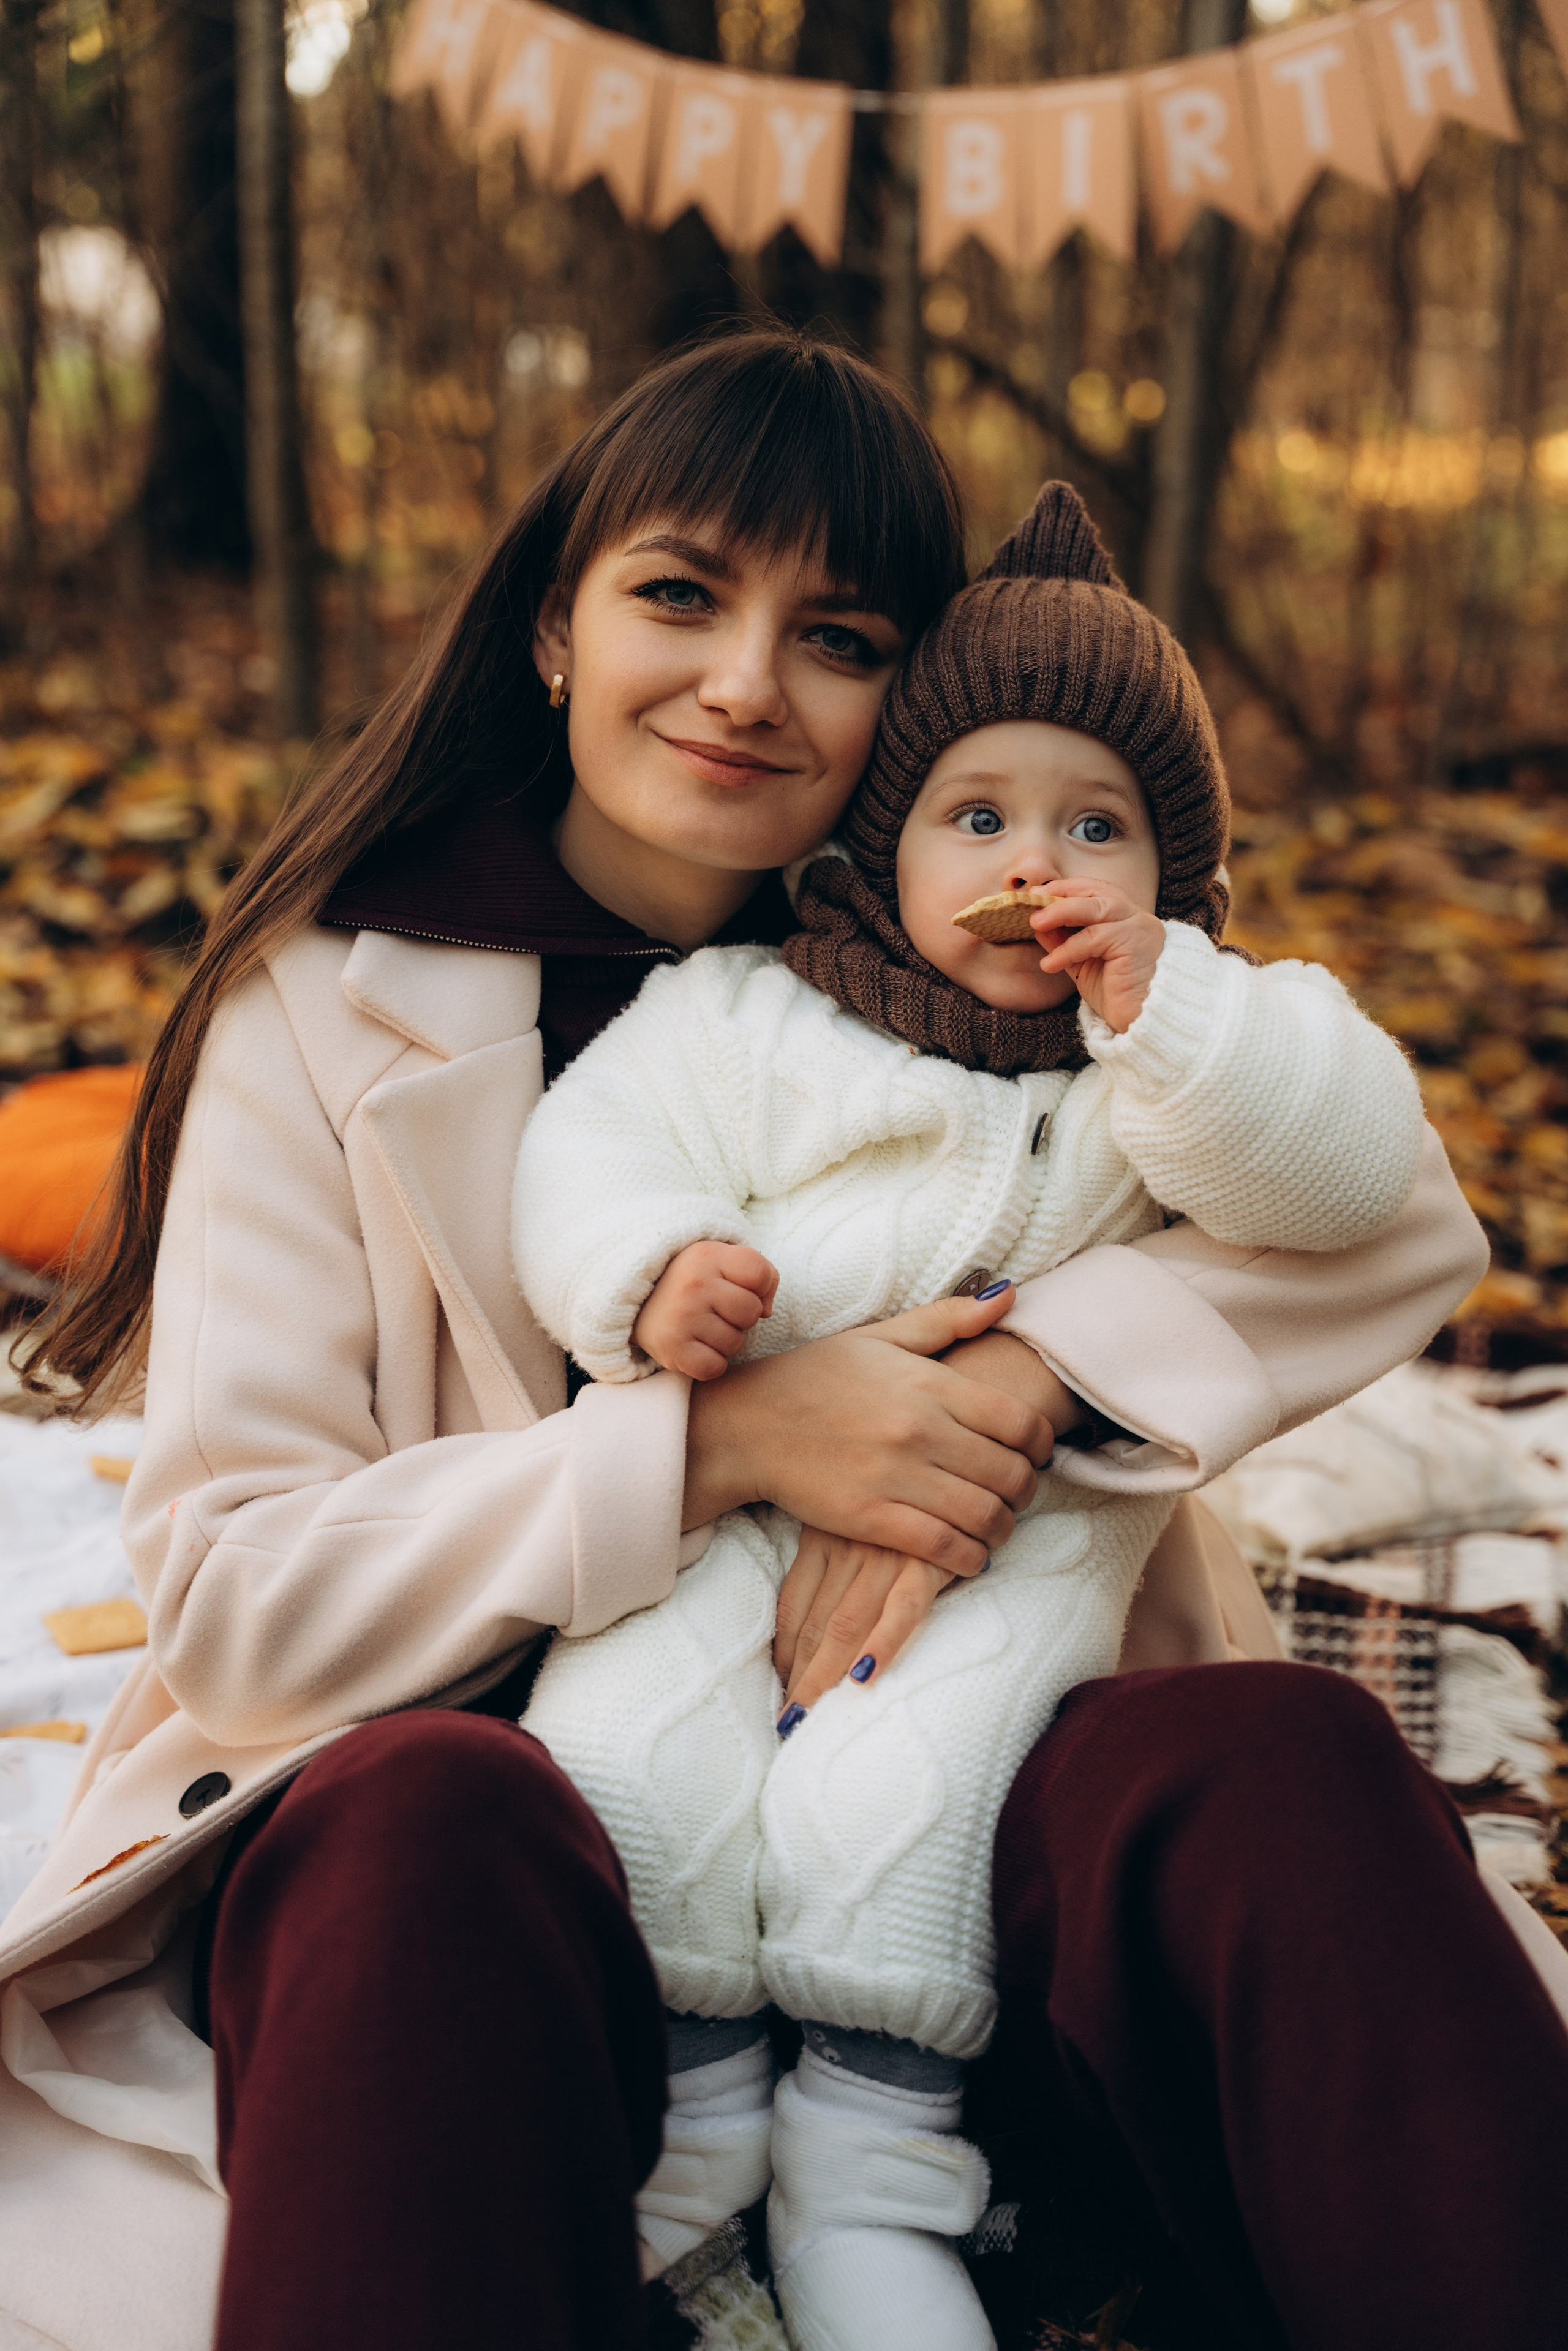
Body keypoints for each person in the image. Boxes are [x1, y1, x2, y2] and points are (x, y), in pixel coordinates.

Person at [0, 328, 1552, 2351]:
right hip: (490, 1866)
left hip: (943, 1793)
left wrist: (1018, 1373)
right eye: (676, 596)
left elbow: (1402, 1220)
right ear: (555, 628)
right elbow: (235, 1605)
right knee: (418, 1823)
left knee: (1280, 1760)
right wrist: (724, 1443)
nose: (745, 683)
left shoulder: (991, 925)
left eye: (835, 634)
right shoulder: (330, 1005)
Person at [510, 481, 1428, 2351]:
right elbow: (589, 1152)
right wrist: (650, 1272)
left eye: (1100, 828)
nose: (1039, 865)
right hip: (720, 1501)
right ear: (885, 841)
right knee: (619, 1751)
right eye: (980, 817)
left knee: (907, 1803)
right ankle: (682, 2127)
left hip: (1001, 1548)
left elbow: (1349, 1173)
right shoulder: (748, 1017)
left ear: (1177, 875)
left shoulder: (1167, 1063)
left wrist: (1174, 1016)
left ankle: (871, 2169)